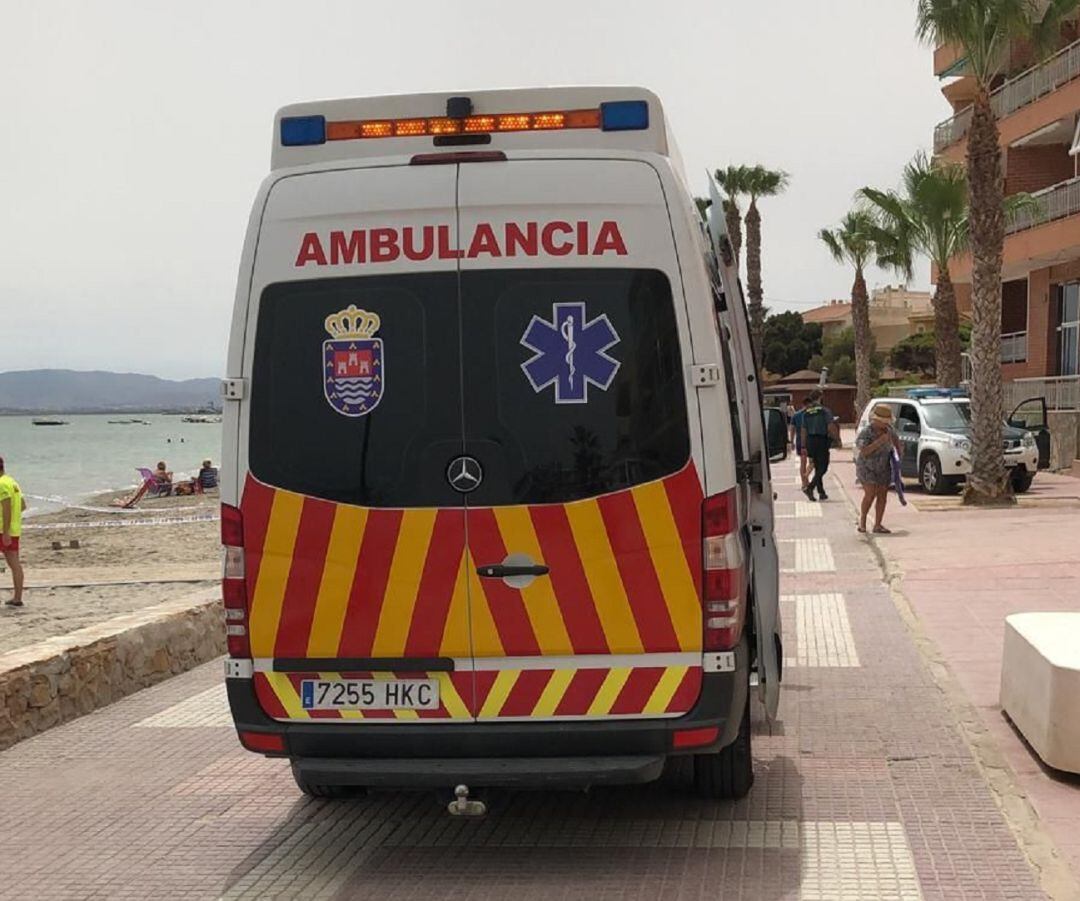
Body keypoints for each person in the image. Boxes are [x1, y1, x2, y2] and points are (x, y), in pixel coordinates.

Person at [855, 404, 902, 534]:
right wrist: (880, 441)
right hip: (867, 467)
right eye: (883, 421)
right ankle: (862, 520)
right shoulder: (866, 432)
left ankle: (878, 524)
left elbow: (897, 444)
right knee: (870, 494)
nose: (885, 424)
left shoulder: (890, 431)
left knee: (882, 495)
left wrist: (898, 455)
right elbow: (864, 451)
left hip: (883, 467)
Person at [800, 390, 839, 502]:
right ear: (820, 398)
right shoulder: (824, 411)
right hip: (821, 440)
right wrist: (837, 439)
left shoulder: (806, 412)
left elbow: (803, 430)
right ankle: (810, 487)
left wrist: (803, 446)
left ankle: (821, 492)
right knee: (824, 466)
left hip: (810, 441)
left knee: (817, 466)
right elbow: (831, 426)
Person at [0, 456, 27, 607]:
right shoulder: (12, 482)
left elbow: (7, 508)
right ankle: (17, 597)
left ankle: (17, 598)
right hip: (13, 529)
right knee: (14, 563)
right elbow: (22, 505)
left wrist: (5, 532)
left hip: (4, 530)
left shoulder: (1, 484)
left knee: (14, 563)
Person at [789, 397, 813, 491]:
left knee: (808, 463)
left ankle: (805, 480)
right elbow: (792, 428)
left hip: (802, 442)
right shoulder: (809, 415)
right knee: (807, 462)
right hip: (807, 442)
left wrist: (792, 441)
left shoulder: (797, 415)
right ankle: (805, 481)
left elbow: (792, 429)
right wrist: (791, 441)